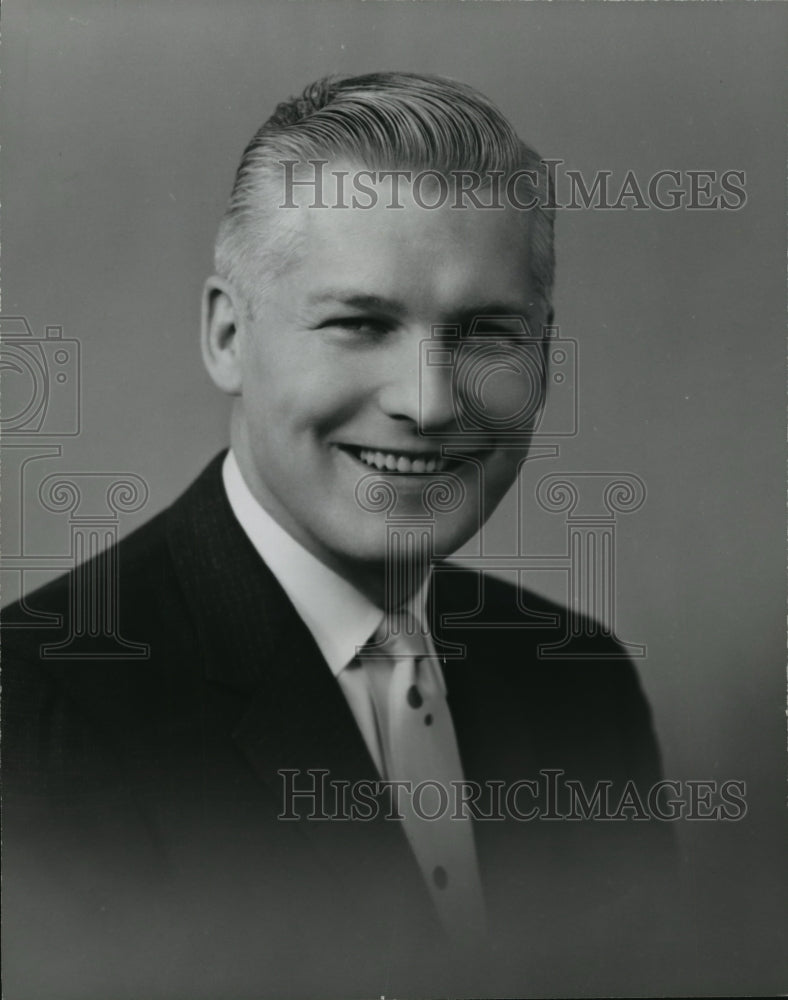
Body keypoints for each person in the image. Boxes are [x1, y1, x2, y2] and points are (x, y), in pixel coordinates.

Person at [2, 73, 673, 999]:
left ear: (546, 362)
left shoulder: (582, 681)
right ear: (227, 336)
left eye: (487, 333)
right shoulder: (37, 713)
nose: (432, 403)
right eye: (361, 324)